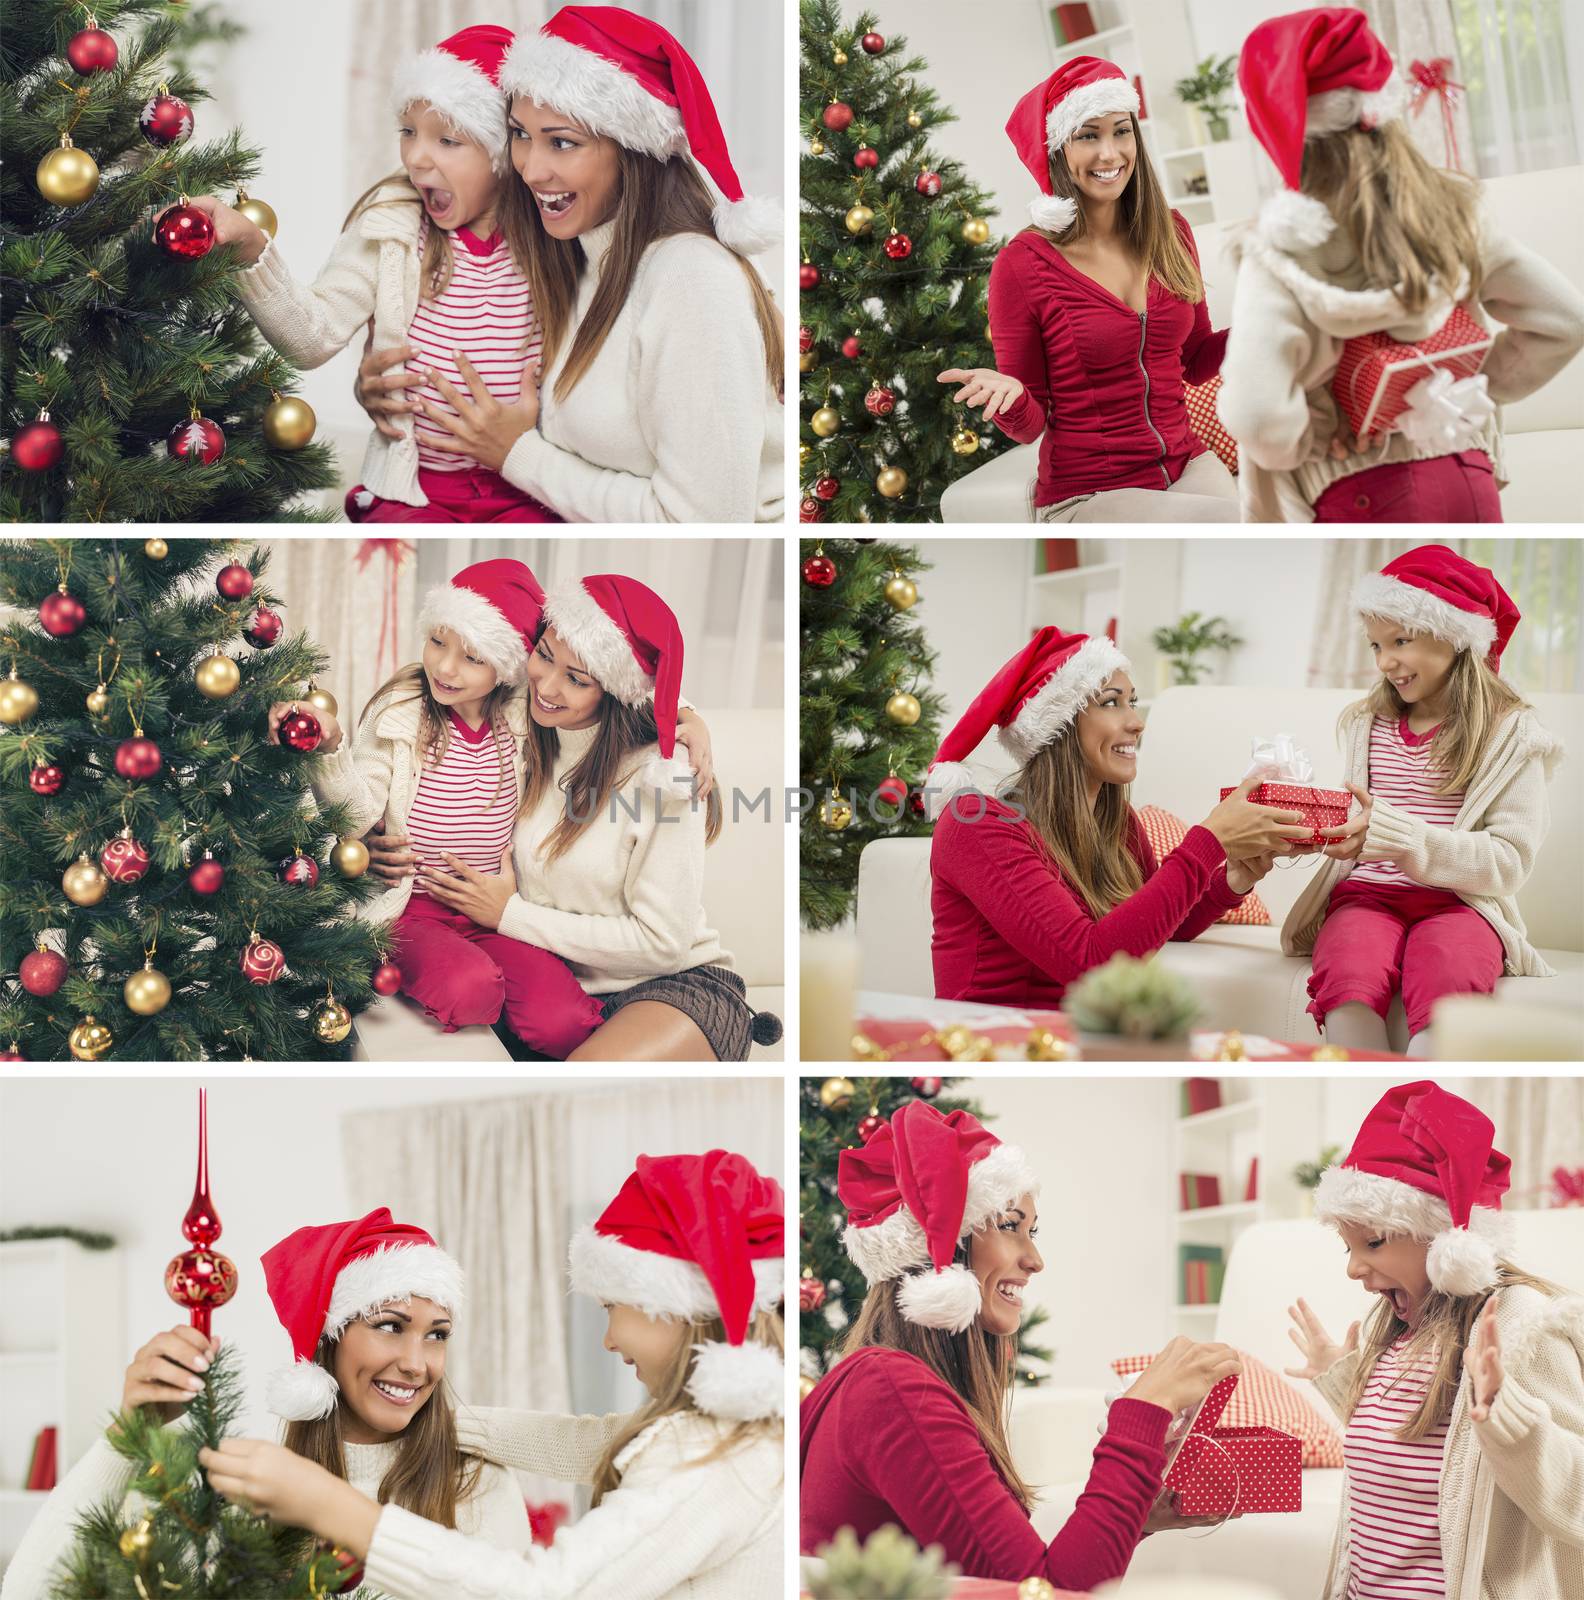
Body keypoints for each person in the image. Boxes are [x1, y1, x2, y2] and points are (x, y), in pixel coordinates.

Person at [201, 1151, 785, 1600]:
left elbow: (546, 1592)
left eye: (610, 1306)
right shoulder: (708, 1438)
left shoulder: (713, 1453)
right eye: (389, 1326)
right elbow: (587, 1440)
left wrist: (334, 1508)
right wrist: (428, 1419)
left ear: (669, 1303)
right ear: (326, 1341)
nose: (607, 1338)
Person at [267, 558, 712, 1058]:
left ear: (505, 665)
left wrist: (686, 715)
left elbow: (626, 678)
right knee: (471, 990)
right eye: (438, 641)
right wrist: (329, 751)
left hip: (495, 908)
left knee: (563, 1024)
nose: (445, 667)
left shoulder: (525, 711)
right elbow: (357, 809)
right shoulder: (401, 713)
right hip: (413, 904)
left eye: (474, 657)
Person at [801, 1101, 1242, 1589]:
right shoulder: (893, 1389)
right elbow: (1044, 1593)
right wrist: (1143, 1409)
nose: (1035, 1259)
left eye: (1031, 1231)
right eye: (1010, 1226)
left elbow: (1023, 1573)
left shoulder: (883, 1379)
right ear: (942, 1246)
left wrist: (1137, 1517)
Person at [382, 6, 784, 523]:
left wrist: (518, 454)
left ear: (633, 150)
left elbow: (698, 522)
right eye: (520, 134)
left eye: (562, 142)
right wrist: (393, 391)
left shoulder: (691, 278)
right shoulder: (579, 253)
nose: (530, 166)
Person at [0, 1208, 530, 1599]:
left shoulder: (479, 1489)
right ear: (328, 1339)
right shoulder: (243, 1494)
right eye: (389, 1326)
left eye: (437, 1335)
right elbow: (30, 1590)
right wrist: (127, 1437)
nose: (418, 1363)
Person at [1218, 7, 1584, 523]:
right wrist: (1471, 387)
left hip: (1358, 489)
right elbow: (1566, 320)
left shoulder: (1283, 248)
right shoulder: (1455, 212)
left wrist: (1311, 438)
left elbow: (1255, 412)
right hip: (1469, 473)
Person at [191, 28, 563, 522]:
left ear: (502, 156)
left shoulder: (555, 239)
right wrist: (250, 249)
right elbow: (311, 337)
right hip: (417, 490)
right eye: (408, 132)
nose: (415, 157)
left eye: (447, 140)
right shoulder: (392, 229)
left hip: (525, 490)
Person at [415, 573, 780, 1061]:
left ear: (611, 688)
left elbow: (663, 945)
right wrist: (376, 835)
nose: (545, 685)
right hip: (553, 990)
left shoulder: (662, 780)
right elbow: (452, 666)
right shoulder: (523, 725)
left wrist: (510, 916)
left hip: (669, 987)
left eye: (577, 679)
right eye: (544, 655)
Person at [1285, 1081, 1583, 1598]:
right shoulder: (1397, 1325)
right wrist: (1344, 1383)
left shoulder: (1522, 1326)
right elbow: (1410, 1455)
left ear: (1449, 1241)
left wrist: (1506, 1415)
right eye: (1348, 1246)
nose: (1354, 1268)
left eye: (1374, 1243)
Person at [926, 626, 1312, 1007]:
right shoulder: (975, 824)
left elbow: (1162, 927)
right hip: (995, 1049)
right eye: (1111, 702)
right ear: (1056, 727)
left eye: (1133, 701)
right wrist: (1209, 840)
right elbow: (1090, 963)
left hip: (1086, 1045)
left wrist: (1236, 875)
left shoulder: (1116, 824)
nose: (1137, 721)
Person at [1284, 546, 1561, 1056]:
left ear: (1455, 639)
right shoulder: (1367, 722)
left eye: (1401, 641)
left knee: (1449, 971)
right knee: (1349, 969)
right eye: (1375, 645)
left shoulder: (1515, 735)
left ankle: (1423, 1083)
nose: (1385, 662)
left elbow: (1509, 862)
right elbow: (1365, 821)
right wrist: (1320, 828)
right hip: (1366, 896)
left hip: (1460, 903)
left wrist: (1401, 838)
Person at [939, 56, 1235, 522]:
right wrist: (1011, 397)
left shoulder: (1172, 232)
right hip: (1093, 490)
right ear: (1057, 150)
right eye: (1088, 135)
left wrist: (1262, 325)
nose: (1110, 153)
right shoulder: (1022, 265)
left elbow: (1195, 361)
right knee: (1219, 526)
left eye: (1121, 130)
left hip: (1186, 463)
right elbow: (1029, 425)